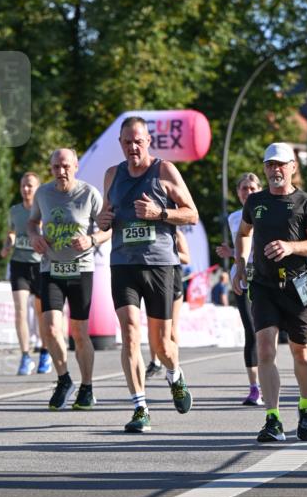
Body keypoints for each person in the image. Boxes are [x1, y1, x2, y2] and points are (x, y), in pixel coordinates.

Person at [99, 115, 198, 434]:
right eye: (127, 142)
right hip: (123, 264)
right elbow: (106, 218)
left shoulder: (165, 170)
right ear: (120, 144)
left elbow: (192, 213)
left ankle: (175, 374)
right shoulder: (112, 175)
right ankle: (140, 406)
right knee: (128, 332)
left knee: (161, 346)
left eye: (138, 141)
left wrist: (161, 214)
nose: (133, 147)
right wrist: (102, 220)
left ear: (148, 141)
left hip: (160, 264)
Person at [234, 142, 307, 443]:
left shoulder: (306, 202)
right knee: (265, 350)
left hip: (297, 286)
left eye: (281, 164)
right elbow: (244, 233)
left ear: (292, 167)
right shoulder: (255, 201)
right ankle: (272, 419)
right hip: (263, 286)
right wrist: (240, 266)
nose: (275, 170)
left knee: (301, 351)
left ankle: (306, 406)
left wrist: (291, 247)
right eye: (270, 164)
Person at [28, 148, 110, 411]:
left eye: (65, 166)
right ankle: (64, 379)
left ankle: (87, 386)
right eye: (55, 167)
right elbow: (32, 223)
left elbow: (109, 227)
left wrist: (92, 239)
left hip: (80, 269)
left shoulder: (89, 194)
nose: (60, 172)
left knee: (79, 333)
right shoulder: (43, 193)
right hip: (50, 267)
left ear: (75, 166)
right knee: (50, 328)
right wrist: (34, 236)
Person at [215, 172, 263, 406]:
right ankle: (254, 387)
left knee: (267, 332)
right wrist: (231, 254)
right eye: (244, 188)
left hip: (266, 277)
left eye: (253, 188)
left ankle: (268, 379)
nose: (248, 192)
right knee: (251, 330)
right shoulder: (234, 218)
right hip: (242, 278)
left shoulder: (267, 211)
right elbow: (241, 248)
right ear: (238, 193)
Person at [0, 172, 52, 376]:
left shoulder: (45, 210)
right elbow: (11, 232)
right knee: (20, 310)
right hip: (19, 264)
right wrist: (7, 245)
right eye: (23, 186)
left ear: (38, 188)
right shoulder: (14, 211)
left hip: (40, 266)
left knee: (41, 313)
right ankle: (24, 355)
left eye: (30, 186)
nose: (26, 189)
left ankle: (45, 353)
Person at [145, 228, 190, 380]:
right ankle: (155, 361)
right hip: (154, 279)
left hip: (174, 281)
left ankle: (174, 364)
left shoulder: (177, 233)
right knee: (152, 326)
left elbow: (187, 258)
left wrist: (165, 252)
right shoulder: (150, 230)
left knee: (171, 328)